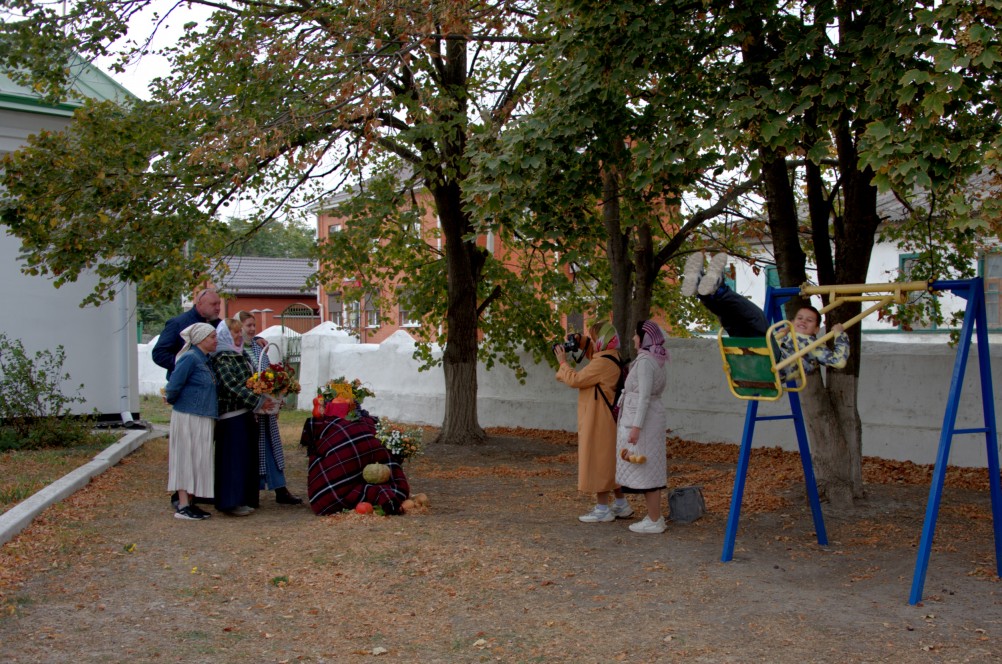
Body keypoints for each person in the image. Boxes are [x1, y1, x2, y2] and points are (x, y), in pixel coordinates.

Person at [681, 252, 850, 374]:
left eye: (809, 320)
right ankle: (705, 292)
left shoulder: (813, 345)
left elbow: (839, 362)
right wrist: (783, 332)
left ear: (816, 329)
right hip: (755, 357)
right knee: (733, 320)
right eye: (799, 318)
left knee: (756, 318)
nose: (803, 321)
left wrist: (839, 335)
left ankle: (720, 289)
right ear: (792, 320)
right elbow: (775, 338)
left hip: (773, 362)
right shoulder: (784, 334)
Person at [555, 322, 633, 523]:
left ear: (602, 340)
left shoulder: (602, 364)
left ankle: (602, 509)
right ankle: (621, 505)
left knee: (599, 462)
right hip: (606, 418)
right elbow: (596, 354)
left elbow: (576, 380)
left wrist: (563, 362)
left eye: (594, 336)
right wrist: (582, 342)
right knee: (609, 461)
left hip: (599, 419)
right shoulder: (611, 356)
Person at [210, 318, 275, 517]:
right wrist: (257, 401)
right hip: (231, 417)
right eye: (234, 334)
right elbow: (231, 385)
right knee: (233, 460)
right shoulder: (223, 358)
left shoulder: (240, 354)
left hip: (245, 414)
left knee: (246, 459)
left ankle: (246, 498)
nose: (239, 337)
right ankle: (231, 501)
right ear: (225, 336)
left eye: (239, 333)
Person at [238, 311, 302, 505]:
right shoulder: (237, 350)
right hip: (248, 409)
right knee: (253, 451)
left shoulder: (259, 348)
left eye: (253, 326)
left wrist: (275, 393)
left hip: (266, 407)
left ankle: (280, 488)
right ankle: (252, 492)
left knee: (273, 447)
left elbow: (267, 374)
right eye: (247, 326)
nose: (251, 329)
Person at [617, 320, 670, 534]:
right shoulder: (657, 359)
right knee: (649, 467)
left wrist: (636, 427)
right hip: (649, 418)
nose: (633, 338)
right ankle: (653, 517)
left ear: (644, 337)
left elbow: (644, 396)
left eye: (636, 335)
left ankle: (655, 519)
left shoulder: (647, 361)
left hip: (644, 421)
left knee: (647, 469)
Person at [164, 323, 218, 521]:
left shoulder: (204, 360)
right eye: (212, 337)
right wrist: (173, 399)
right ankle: (183, 503)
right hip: (188, 416)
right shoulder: (190, 358)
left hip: (202, 415)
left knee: (198, 459)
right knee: (186, 457)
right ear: (202, 339)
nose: (215, 340)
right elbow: (173, 386)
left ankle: (191, 501)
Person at [153, 288, 223, 379]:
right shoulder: (178, 323)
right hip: (185, 385)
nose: (218, 308)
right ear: (200, 303)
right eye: (213, 304)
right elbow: (159, 354)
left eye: (219, 304)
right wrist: (185, 366)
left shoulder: (220, 325)